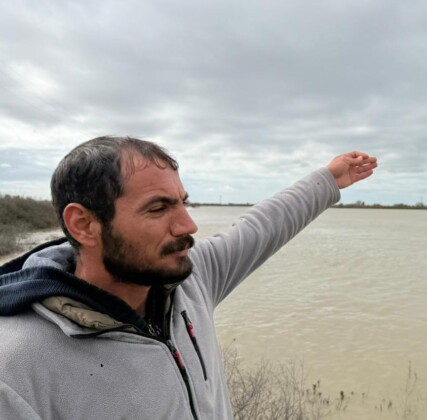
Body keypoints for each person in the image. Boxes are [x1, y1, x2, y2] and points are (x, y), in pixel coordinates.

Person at [0, 136, 377, 419]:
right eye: (159, 207)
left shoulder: (191, 280)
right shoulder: (16, 367)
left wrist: (329, 179)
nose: (187, 224)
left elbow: (263, 227)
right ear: (83, 224)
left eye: (182, 201)